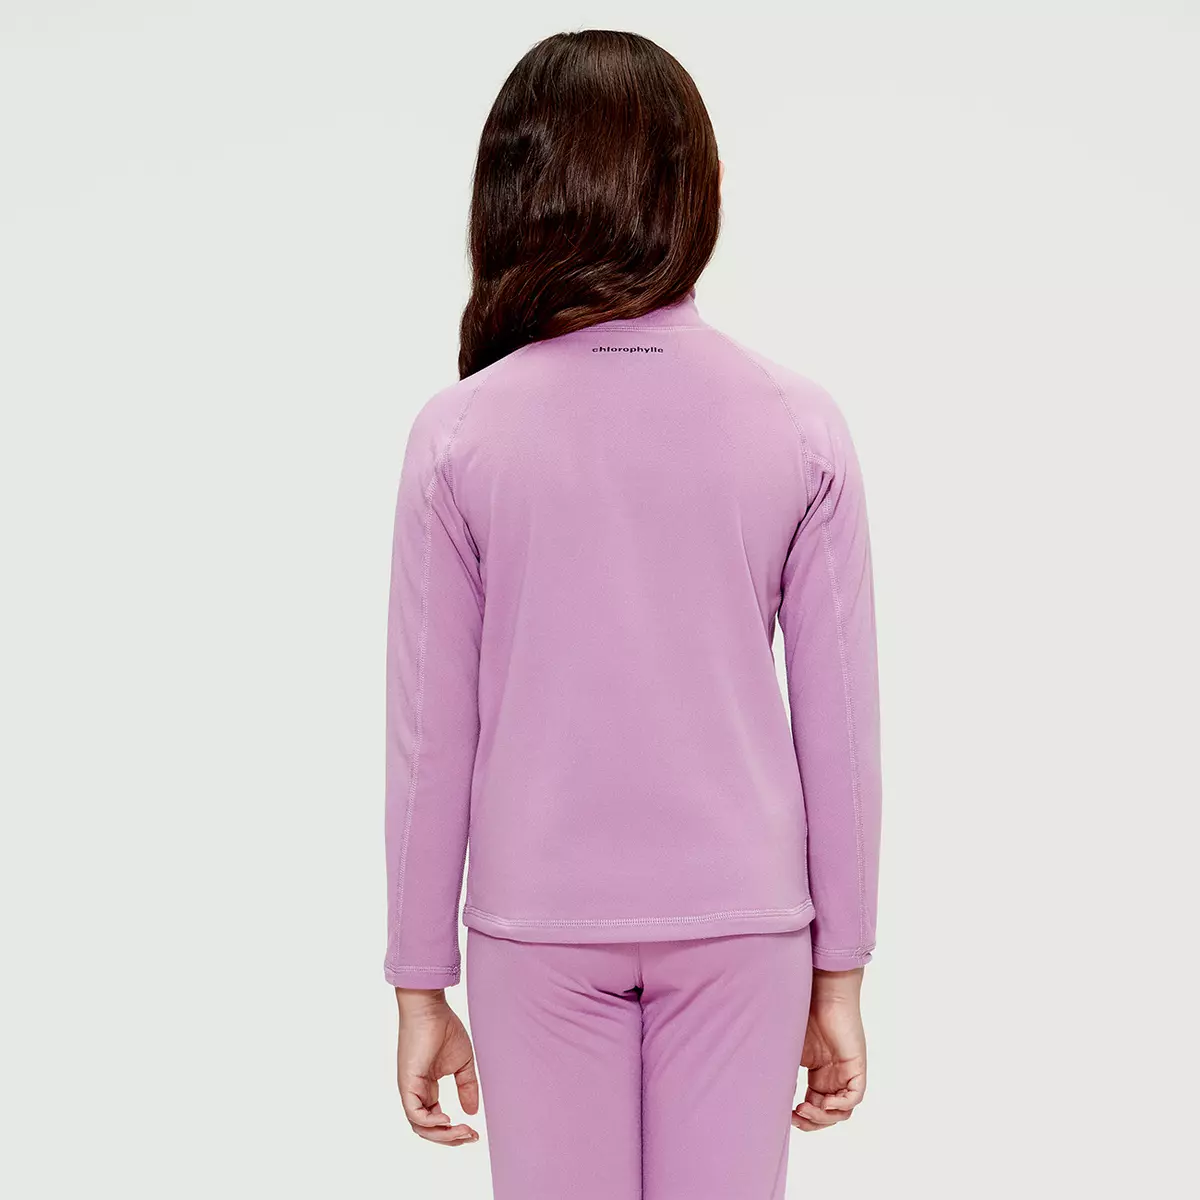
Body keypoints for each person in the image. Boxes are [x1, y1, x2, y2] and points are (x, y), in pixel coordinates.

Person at [385, 29, 881, 1200]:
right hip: (747, 922)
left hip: (535, 922)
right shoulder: (800, 425)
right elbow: (842, 735)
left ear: (514, 194)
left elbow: (427, 737)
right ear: (703, 191)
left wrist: (419, 979)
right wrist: (842, 971)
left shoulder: (458, 435)